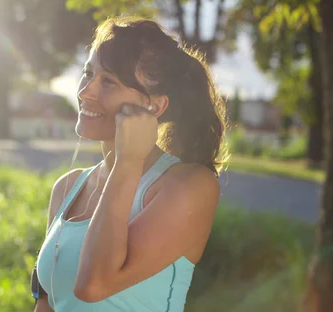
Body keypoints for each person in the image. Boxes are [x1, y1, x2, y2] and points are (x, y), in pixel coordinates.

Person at [31, 16, 227, 312]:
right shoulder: (68, 187)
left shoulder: (189, 186)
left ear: (155, 106)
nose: (85, 92)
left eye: (108, 81)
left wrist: (129, 160)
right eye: (88, 73)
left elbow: (93, 284)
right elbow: (46, 303)